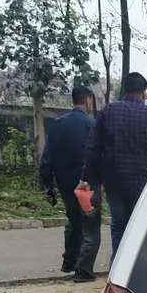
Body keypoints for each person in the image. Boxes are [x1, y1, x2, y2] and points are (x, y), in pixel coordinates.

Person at [79, 72, 147, 257]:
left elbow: (93, 149)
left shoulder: (107, 113)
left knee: (119, 225)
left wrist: (88, 178)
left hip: (114, 181)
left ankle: (118, 267)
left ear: (124, 90)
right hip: (143, 183)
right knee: (139, 228)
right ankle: (136, 268)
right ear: (144, 93)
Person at [39, 86, 100, 282]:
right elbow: (98, 156)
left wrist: (48, 186)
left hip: (65, 183)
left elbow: (47, 158)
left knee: (73, 220)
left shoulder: (58, 124)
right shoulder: (92, 124)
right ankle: (83, 270)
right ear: (88, 100)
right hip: (87, 185)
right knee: (89, 225)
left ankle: (70, 261)